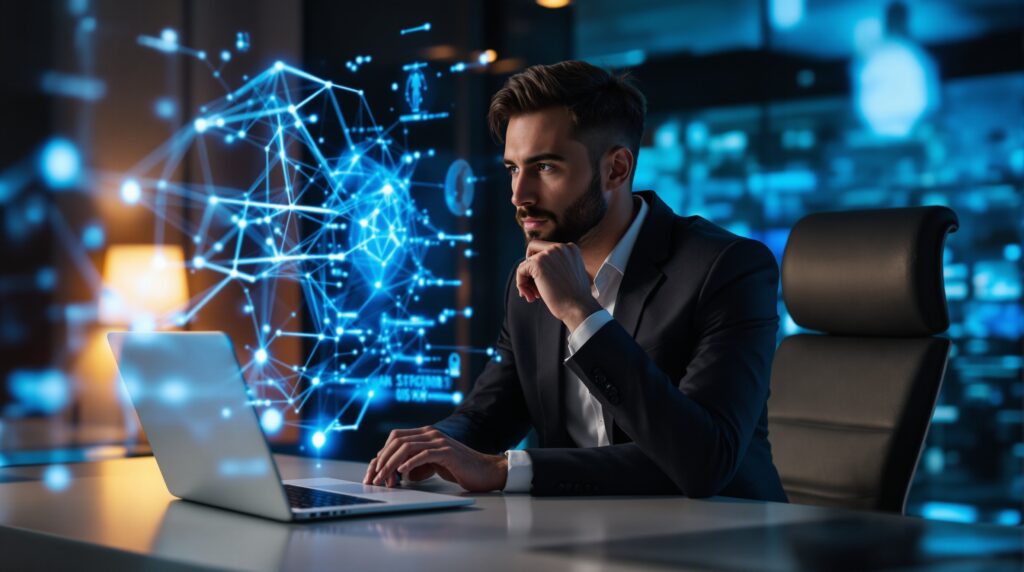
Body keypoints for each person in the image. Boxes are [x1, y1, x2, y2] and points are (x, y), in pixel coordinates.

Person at [363, 60, 787, 500]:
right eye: (513, 169)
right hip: (579, 536)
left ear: (616, 170)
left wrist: (580, 312)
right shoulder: (529, 279)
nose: (519, 195)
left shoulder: (727, 268)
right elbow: (489, 416)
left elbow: (704, 459)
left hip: (728, 538)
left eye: (545, 167)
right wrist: (429, 447)